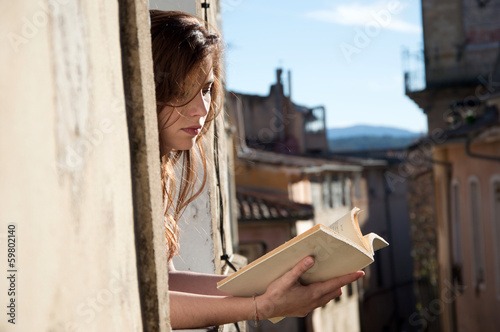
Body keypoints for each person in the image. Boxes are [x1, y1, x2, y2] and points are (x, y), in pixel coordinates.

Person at [149, 10, 365, 330]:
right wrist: (260, 306)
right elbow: (149, 302)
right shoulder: (123, 177)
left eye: (206, 89)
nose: (202, 108)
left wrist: (265, 287)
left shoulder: (161, 168)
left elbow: (161, 282)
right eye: (182, 91)